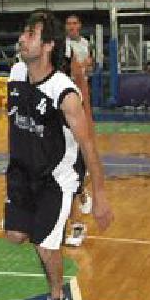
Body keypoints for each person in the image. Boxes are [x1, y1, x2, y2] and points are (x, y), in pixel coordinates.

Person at [4, 9, 113, 300]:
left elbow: (89, 145)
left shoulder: (64, 94)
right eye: (24, 32)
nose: (23, 39)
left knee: (45, 245)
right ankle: (51, 221)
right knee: (15, 236)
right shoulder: (15, 73)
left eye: (31, 34)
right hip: (22, 171)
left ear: (49, 45)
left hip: (57, 175)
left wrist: (102, 193)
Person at [63, 14, 96, 246]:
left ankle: (81, 193)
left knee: (79, 157)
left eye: (76, 23)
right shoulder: (61, 47)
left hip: (78, 100)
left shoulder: (84, 45)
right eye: (69, 24)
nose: (72, 27)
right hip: (62, 103)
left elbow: (85, 71)